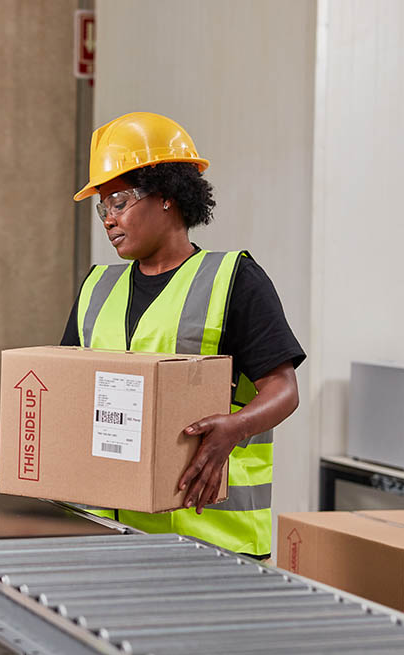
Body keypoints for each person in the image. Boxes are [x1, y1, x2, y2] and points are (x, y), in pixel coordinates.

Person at [63, 112, 304, 563]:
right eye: (103, 207)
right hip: (106, 540)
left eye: (119, 201)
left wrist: (235, 428)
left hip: (208, 544)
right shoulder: (96, 288)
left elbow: (283, 391)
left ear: (169, 195)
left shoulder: (233, 279)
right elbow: (67, 388)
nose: (108, 219)